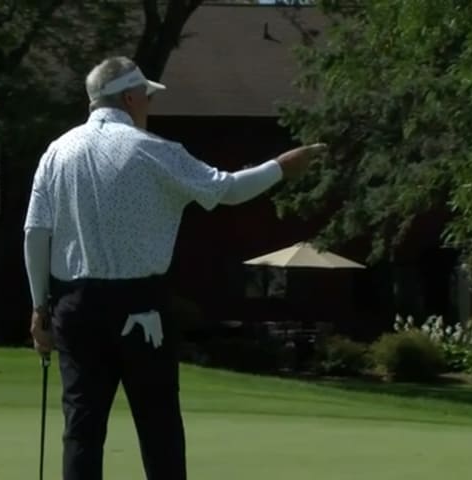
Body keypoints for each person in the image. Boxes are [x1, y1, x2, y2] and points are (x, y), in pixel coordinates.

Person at [23, 56, 326, 480]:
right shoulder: (156, 152)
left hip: (73, 306)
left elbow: (36, 234)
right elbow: (230, 190)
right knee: (158, 425)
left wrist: (40, 308)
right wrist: (282, 167)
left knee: (82, 429)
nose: (148, 105)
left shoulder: (57, 152)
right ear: (130, 97)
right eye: (146, 97)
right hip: (139, 306)